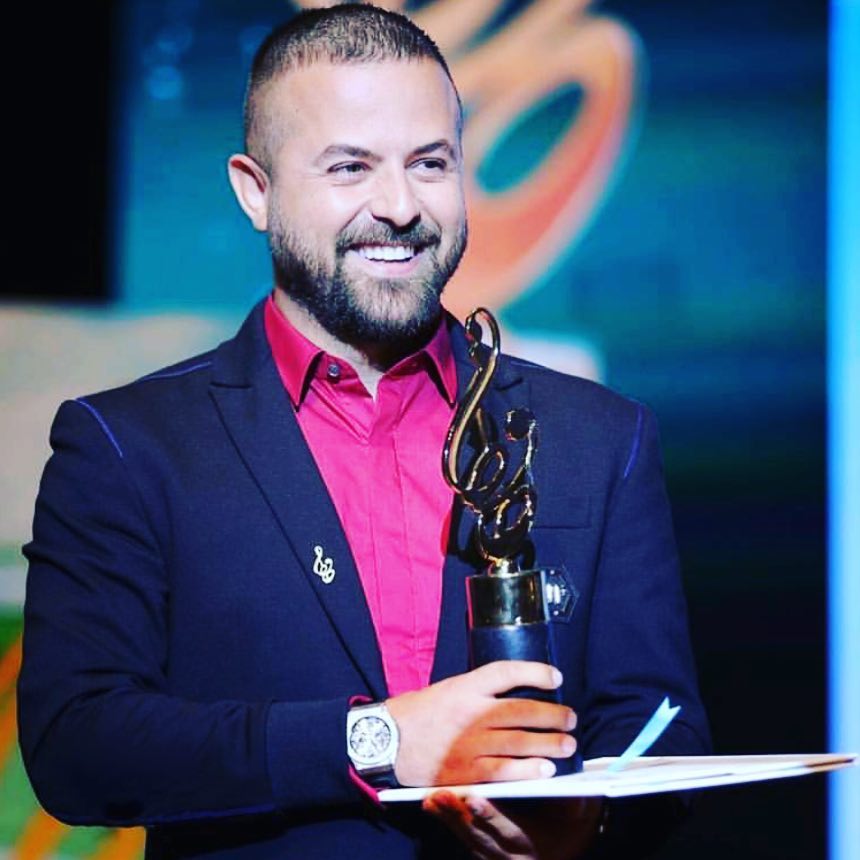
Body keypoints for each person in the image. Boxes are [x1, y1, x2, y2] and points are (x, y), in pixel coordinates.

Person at [18, 5, 710, 859]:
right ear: (255, 191)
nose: (400, 206)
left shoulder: (600, 437)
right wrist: (375, 741)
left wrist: (590, 821)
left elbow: (661, 727)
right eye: (350, 167)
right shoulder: (129, 445)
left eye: (431, 164)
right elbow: (78, 744)